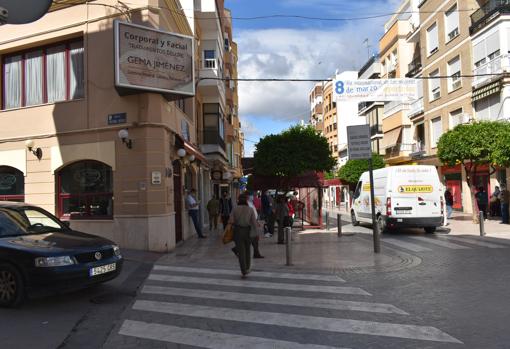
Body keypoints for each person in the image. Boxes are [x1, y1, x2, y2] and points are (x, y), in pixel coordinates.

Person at [229, 194, 259, 278]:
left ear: (238, 200)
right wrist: (256, 234)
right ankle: (247, 267)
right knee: (247, 250)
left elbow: (231, 221)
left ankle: (243, 270)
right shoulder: (250, 209)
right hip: (248, 231)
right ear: (246, 200)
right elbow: (254, 223)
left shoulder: (235, 209)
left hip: (237, 231)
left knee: (241, 252)